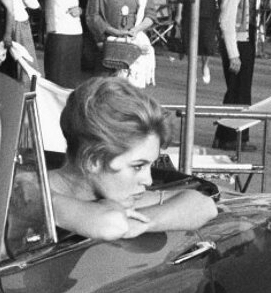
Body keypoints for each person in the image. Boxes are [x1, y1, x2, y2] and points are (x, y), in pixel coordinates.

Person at [49, 76, 218, 240]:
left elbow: (205, 205)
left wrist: (145, 222)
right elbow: (111, 225)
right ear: (93, 160)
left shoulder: (110, 193)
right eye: (138, 166)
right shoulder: (31, 193)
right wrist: (115, 212)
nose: (149, 180)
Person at [214, 0, 264, 150]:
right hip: (237, 43)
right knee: (237, 93)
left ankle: (227, 137)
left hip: (246, 41)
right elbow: (226, 21)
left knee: (239, 92)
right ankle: (232, 139)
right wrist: (234, 54)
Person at [175, 0, 221, 83]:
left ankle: (205, 65)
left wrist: (222, 15)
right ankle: (192, 69)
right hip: (190, 14)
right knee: (191, 43)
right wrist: (179, 14)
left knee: (206, 44)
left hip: (208, 15)